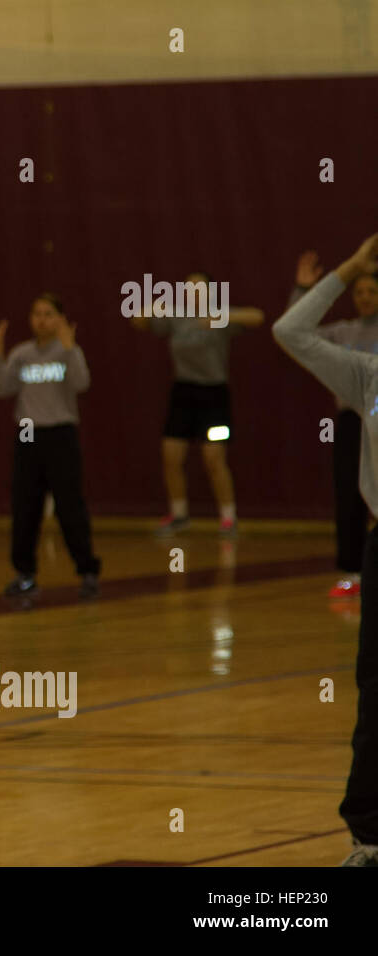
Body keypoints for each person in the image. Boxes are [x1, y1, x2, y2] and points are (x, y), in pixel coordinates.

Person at [271, 232, 378, 866]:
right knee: (375, 692)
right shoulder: (367, 374)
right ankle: (369, 837)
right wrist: (346, 271)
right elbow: (290, 330)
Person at [129, 274, 264, 537]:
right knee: (171, 455)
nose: (193, 292)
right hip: (183, 394)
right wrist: (153, 307)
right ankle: (179, 515)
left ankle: (228, 518)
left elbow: (257, 316)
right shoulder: (177, 317)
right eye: (189, 288)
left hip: (214, 397)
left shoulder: (220, 315)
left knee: (213, 457)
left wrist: (223, 318)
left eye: (199, 288)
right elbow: (137, 321)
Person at [0, 295, 100, 602]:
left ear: (61, 319)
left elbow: (82, 383)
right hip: (27, 432)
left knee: (69, 506)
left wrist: (69, 347)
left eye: (48, 314)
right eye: (36, 313)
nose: (41, 319)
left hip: (61, 433)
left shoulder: (68, 351)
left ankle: (87, 571)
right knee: (25, 506)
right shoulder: (22, 353)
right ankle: (24, 575)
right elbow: (2, 388)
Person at [287, 252, 378, 598]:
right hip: (352, 422)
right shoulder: (342, 332)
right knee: (349, 493)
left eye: (372, 291)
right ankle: (352, 573)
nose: (365, 297)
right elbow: (296, 335)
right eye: (359, 292)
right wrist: (304, 291)